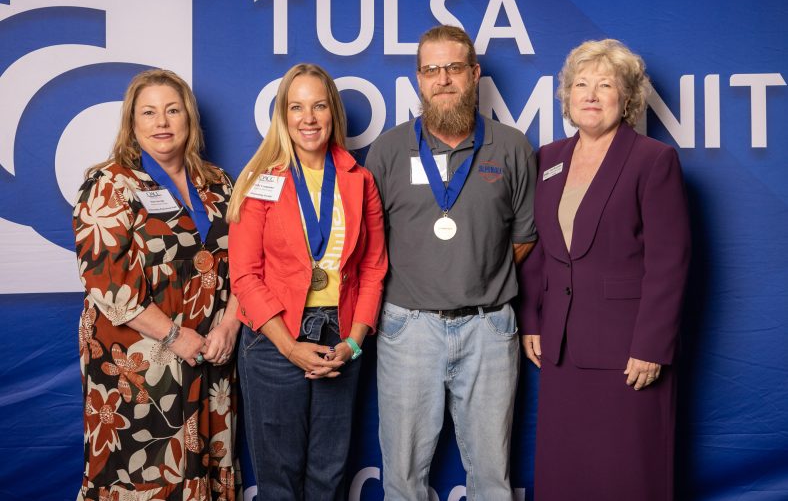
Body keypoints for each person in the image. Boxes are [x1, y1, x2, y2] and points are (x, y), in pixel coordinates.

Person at [365, 25, 537, 501]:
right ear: (418, 79)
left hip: (489, 328)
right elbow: (372, 245)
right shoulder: (388, 150)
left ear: (474, 74)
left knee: (492, 479)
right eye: (431, 70)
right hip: (407, 329)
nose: (443, 79)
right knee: (401, 480)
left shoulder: (512, 147)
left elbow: (524, 237)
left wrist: (476, 271)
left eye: (454, 68)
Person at [520, 39, 691, 500]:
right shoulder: (548, 159)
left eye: (605, 85)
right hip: (562, 347)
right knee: (566, 474)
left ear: (628, 98)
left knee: (628, 473)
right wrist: (532, 320)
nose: (590, 94)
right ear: (568, 97)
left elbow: (668, 263)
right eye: (581, 84)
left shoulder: (653, 160)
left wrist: (652, 346)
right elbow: (539, 249)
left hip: (627, 351)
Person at [73, 69, 241, 500]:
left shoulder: (218, 183)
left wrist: (229, 327)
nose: (161, 122)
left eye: (172, 110)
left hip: (212, 356)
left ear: (189, 118)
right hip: (138, 367)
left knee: (206, 462)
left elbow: (247, 265)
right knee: (142, 472)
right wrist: (173, 335)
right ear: (132, 123)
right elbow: (106, 283)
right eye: (148, 113)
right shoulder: (110, 184)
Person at [227, 63, 387, 500]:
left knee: (328, 475)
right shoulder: (260, 181)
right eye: (296, 107)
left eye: (318, 105)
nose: (308, 118)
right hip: (275, 336)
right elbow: (244, 274)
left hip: (340, 335)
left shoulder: (360, 180)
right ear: (283, 115)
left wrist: (353, 343)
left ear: (333, 111)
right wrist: (288, 345)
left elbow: (373, 268)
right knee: (279, 480)